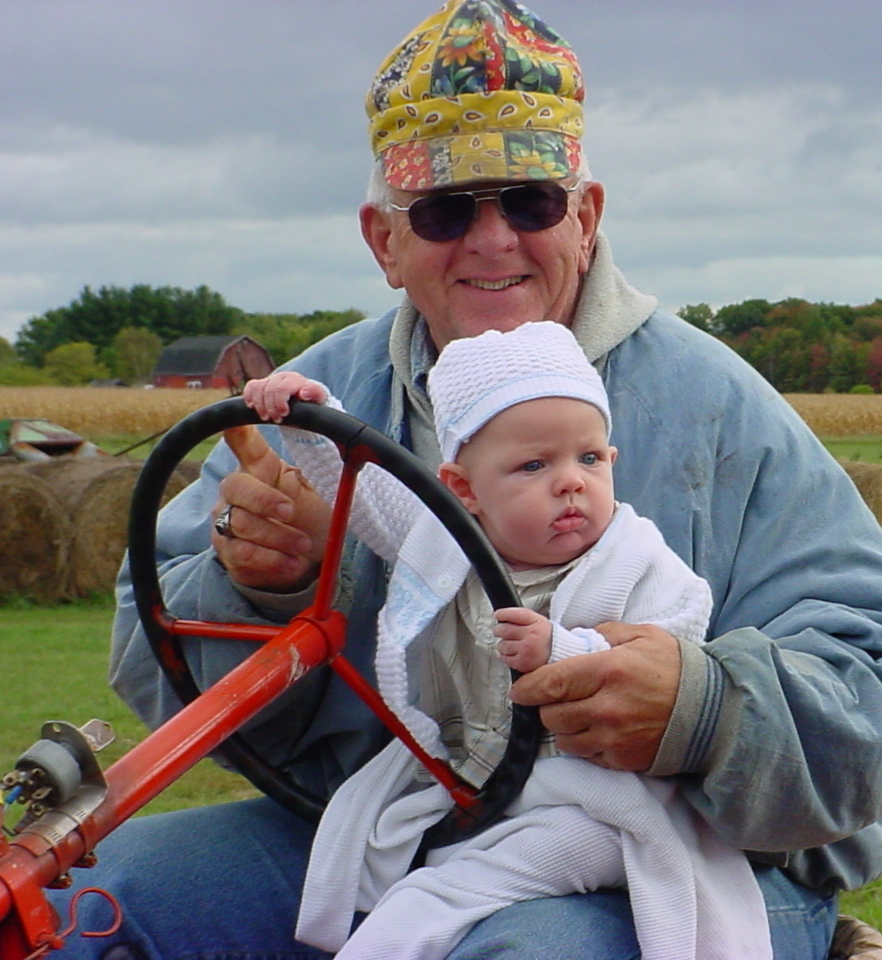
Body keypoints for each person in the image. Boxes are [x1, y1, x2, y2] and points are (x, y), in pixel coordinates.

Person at [52, 2, 882, 958]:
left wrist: (700, 709)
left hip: (684, 856)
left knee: (525, 949)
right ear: (382, 240)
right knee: (83, 902)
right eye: (443, 211)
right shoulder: (317, 404)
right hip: (393, 829)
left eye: (529, 201)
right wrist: (257, 585)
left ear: (586, 214)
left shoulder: (717, 411)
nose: (491, 242)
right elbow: (152, 655)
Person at [243, 321, 770, 959]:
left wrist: (567, 654)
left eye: (590, 458)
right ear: (464, 490)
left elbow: (668, 652)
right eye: (533, 465)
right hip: (478, 781)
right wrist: (307, 417)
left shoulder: (639, 561)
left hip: (593, 804)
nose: (571, 481)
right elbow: (368, 494)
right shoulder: (446, 540)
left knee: (434, 897)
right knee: (358, 839)